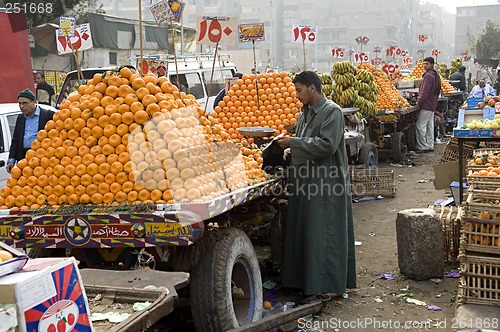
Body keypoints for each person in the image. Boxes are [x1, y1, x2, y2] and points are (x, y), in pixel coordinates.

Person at [276, 71, 356, 302]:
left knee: (322, 233)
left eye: (299, 90)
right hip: (305, 181)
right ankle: (300, 282)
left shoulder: (332, 112)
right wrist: (289, 149)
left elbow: (327, 145)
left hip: (326, 183)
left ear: (312, 88)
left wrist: (293, 142)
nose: (296, 94)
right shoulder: (304, 114)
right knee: (302, 231)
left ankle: (321, 285)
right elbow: (304, 140)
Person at [6, 89, 55, 173]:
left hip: (42, 159)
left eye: (25, 103)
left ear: (34, 102)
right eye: (20, 103)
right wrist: (11, 159)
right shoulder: (20, 118)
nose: (21, 106)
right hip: (24, 158)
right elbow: (16, 141)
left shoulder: (48, 115)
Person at [415, 57, 441, 153]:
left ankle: (423, 146)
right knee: (430, 125)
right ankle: (430, 145)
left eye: (427, 64)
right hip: (432, 104)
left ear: (432, 65)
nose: (424, 65)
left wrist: (419, 102)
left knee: (420, 125)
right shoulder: (434, 75)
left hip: (427, 104)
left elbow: (425, 91)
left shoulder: (429, 76)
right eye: (424, 63)